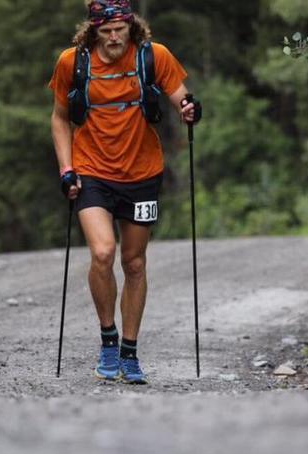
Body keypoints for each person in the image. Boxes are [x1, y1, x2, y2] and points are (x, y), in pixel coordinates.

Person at [49, 0, 201, 384]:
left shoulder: (154, 56)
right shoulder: (73, 62)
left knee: (134, 263)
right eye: (106, 30)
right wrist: (67, 169)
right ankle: (108, 339)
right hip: (91, 171)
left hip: (142, 172)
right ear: (93, 30)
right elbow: (60, 118)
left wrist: (188, 109)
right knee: (103, 252)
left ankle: (130, 352)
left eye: (121, 28)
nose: (115, 37)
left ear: (130, 25)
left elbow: (181, 95)